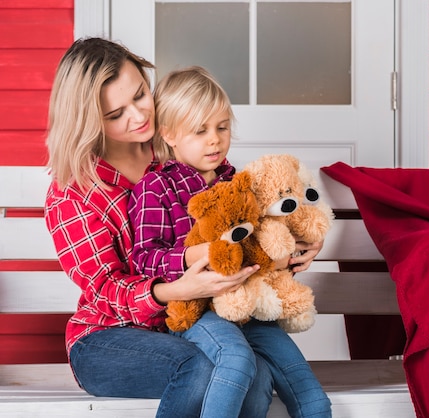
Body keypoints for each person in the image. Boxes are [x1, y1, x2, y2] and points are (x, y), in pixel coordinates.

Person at [43, 37, 325, 418]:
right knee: (202, 369)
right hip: (108, 339)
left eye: (141, 95)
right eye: (115, 115)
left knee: (254, 375)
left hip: (193, 323)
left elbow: (236, 220)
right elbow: (105, 288)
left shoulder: (179, 147)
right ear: (89, 120)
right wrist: (174, 289)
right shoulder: (73, 192)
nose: (139, 116)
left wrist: (296, 242)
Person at [127, 65, 331, 418]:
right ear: (170, 134)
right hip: (196, 314)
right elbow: (145, 259)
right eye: (200, 130)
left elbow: (268, 237)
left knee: (308, 391)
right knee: (238, 364)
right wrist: (197, 255)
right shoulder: (156, 187)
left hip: (250, 308)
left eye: (222, 127)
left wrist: (303, 243)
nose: (215, 139)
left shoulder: (240, 182)